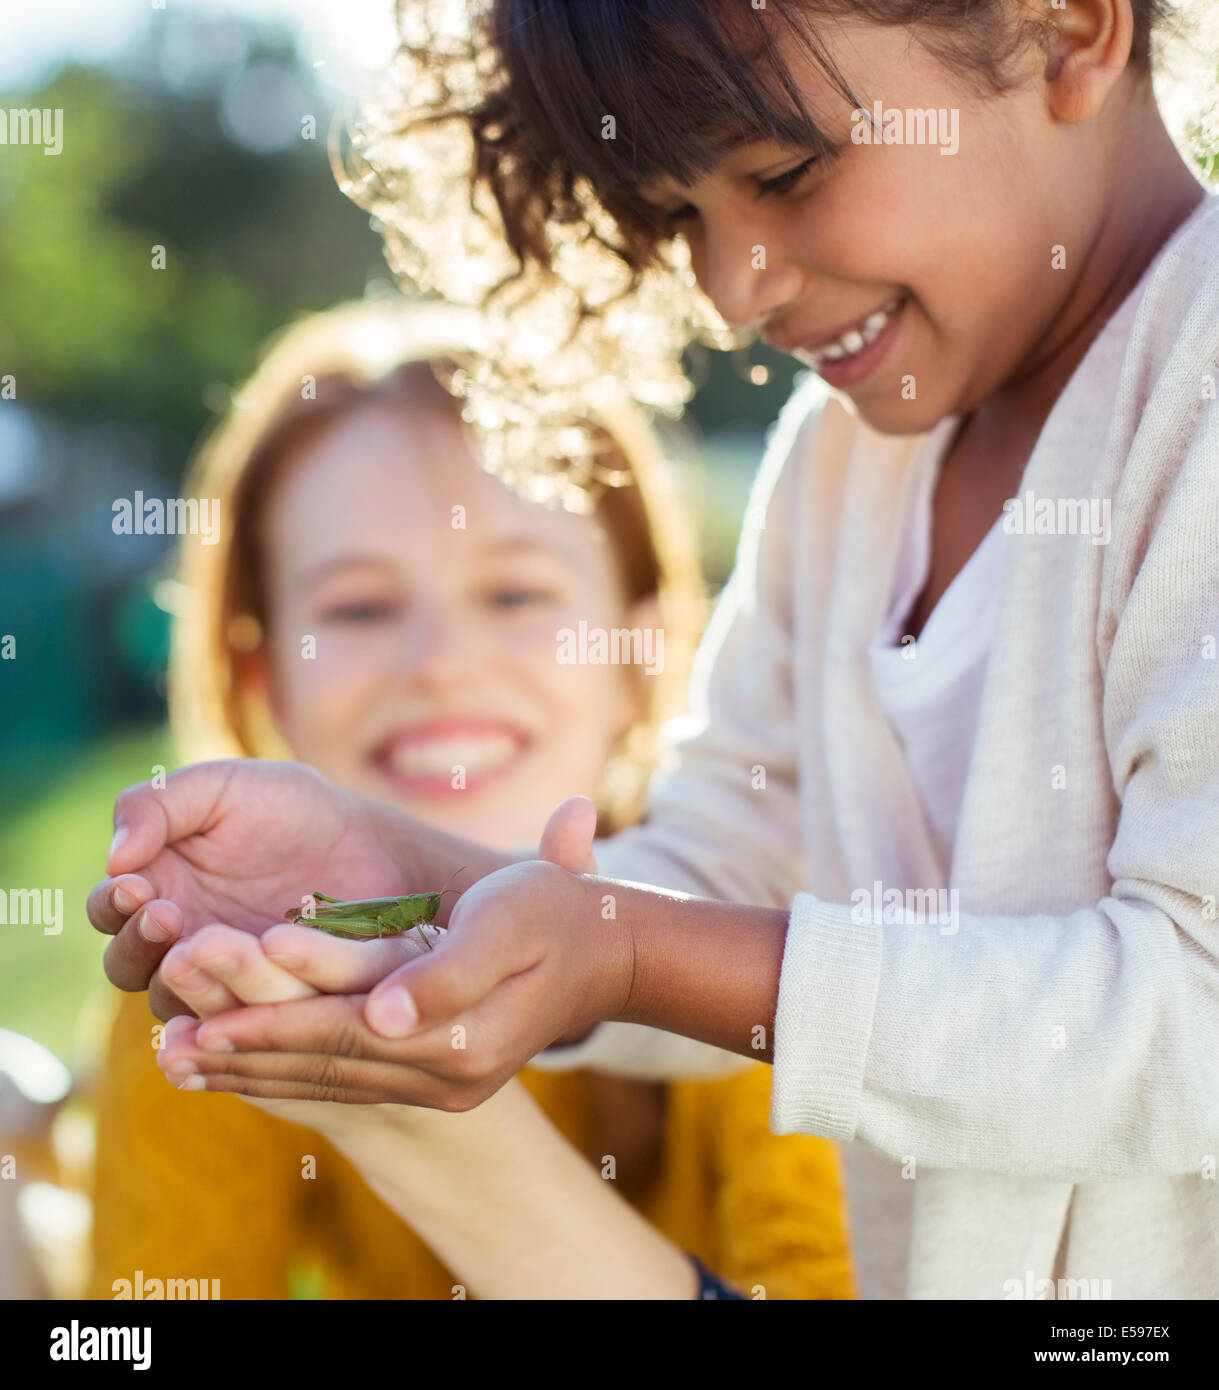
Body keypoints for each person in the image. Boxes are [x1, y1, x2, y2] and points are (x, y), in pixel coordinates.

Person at [91, 0, 1219, 1298]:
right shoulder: (844, 462)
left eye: (784, 173)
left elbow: (1186, 1019)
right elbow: (730, 870)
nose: (732, 286)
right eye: (679, 215)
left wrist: (621, 949)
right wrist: (419, 885)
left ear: (1065, 32)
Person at [86, 299, 851, 1301]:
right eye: (358, 608)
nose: (441, 665)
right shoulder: (208, 977)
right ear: (265, 678)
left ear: (642, 650)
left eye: (515, 595)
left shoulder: (753, 946)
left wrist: (437, 1144)